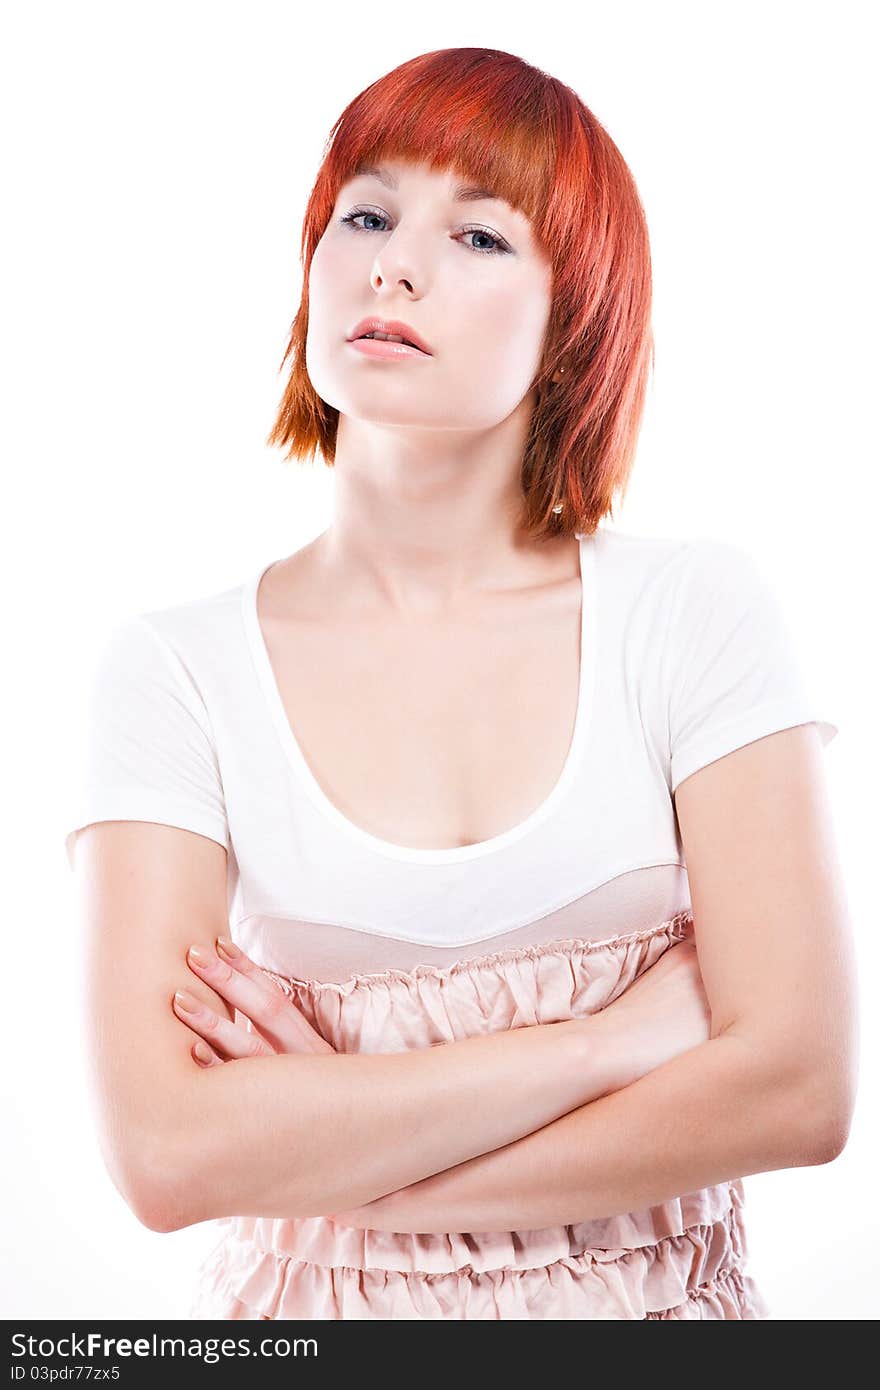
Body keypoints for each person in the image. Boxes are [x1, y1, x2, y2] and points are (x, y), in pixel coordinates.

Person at [65, 47, 857, 1320]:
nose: (392, 263)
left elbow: (798, 1091)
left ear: (573, 322)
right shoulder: (174, 670)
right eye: (364, 214)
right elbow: (165, 1157)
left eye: (479, 236)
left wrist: (344, 1169)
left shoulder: (692, 613)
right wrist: (607, 1044)